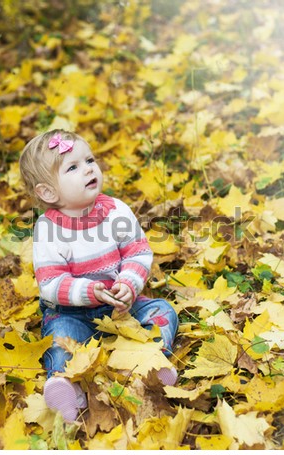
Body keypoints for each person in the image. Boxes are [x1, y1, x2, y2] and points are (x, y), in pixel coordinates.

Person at [19, 129, 179, 421]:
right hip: (71, 311)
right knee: (60, 337)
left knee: (162, 310)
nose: (89, 169)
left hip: (121, 307)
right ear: (48, 192)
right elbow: (50, 283)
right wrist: (88, 292)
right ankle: (65, 385)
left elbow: (137, 251)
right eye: (73, 167)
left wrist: (129, 283)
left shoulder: (116, 211)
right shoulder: (49, 229)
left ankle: (154, 365)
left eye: (89, 160)